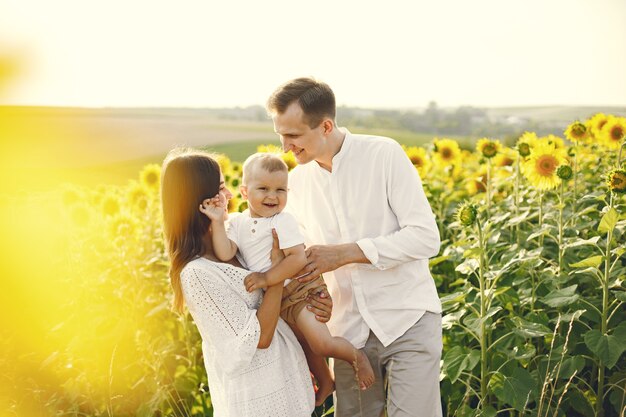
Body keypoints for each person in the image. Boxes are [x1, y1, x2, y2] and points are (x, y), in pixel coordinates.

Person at [267, 78, 443, 417]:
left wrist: (346, 253)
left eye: (293, 135)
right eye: (280, 135)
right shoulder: (297, 184)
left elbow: (425, 237)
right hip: (347, 335)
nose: (285, 146)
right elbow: (300, 256)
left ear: (326, 125)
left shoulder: (383, 154)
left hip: (407, 317)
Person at [160, 147, 333, 417]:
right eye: (220, 188)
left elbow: (282, 305)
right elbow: (260, 338)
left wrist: (315, 302)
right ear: (201, 201)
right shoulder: (197, 274)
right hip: (258, 405)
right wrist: (276, 274)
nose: (229, 194)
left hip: (291, 394)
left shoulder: (235, 240)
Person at [199, 152, 375, 404]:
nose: (273, 196)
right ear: (245, 192)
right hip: (278, 297)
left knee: (321, 344)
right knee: (303, 344)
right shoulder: (237, 223)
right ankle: (326, 381)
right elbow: (225, 251)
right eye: (264, 189)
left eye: (281, 190)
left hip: (299, 289)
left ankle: (356, 357)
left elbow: (297, 259)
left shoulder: (282, 221)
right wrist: (217, 222)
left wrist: (267, 278)